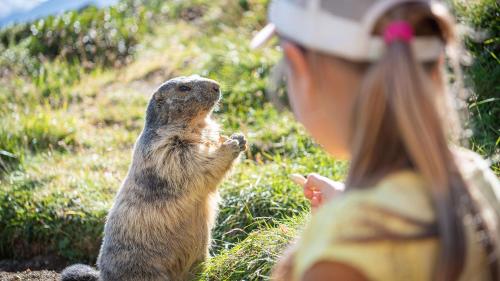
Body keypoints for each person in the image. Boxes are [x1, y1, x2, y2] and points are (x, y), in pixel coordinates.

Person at [250, 0, 500, 280]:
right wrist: (352, 202)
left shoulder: (340, 255)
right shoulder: (476, 179)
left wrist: (340, 225)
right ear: (435, 62)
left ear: (299, 65)